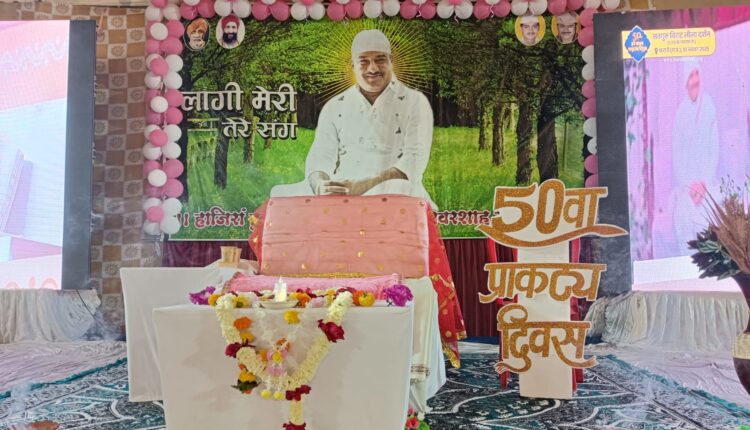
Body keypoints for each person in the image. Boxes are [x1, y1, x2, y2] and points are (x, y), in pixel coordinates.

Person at [271, 29, 436, 208]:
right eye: (364, 61)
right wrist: (320, 184)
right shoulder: (336, 106)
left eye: (380, 60)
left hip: (394, 187)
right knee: (280, 193)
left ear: (391, 61)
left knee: (399, 189)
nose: (373, 69)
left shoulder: (415, 101)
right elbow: (320, 157)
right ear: (352, 65)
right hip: (345, 188)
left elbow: (414, 160)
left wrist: (363, 185)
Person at [669, 59, 719, 256]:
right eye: (691, 75)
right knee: (682, 215)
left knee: (711, 213)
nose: (695, 80)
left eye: (697, 74)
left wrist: (704, 182)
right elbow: (677, 156)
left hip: (707, 181)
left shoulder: (709, 106)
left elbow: (714, 148)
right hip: (687, 185)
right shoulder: (680, 112)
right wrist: (690, 185)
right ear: (685, 81)